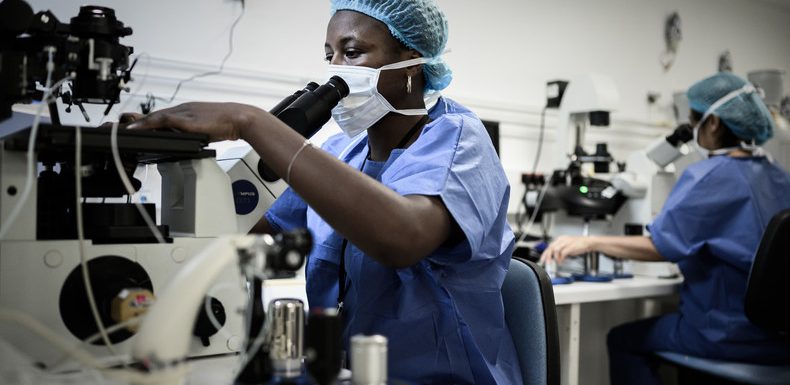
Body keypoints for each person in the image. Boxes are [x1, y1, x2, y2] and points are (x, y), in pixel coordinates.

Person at [126, 0, 523, 384]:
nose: (336, 70)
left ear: (412, 62)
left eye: (352, 53)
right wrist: (182, 162)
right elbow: (242, 232)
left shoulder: (457, 139)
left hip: (440, 377)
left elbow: (403, 236)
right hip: (343, 372)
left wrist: (249, 122)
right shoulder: (340, 153)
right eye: (329, 56)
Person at [540, 72, 790, 385]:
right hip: (780, 338)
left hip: (727, 334)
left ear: (712, 123)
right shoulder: (779, 174)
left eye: (694, 121)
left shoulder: (709, 176)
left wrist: (589, 243)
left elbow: (661, 247)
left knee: (623, 340)